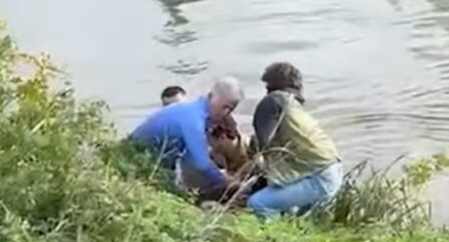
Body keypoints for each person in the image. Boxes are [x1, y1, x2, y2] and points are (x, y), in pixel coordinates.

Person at [245, 62, 342, 219]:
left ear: (270, 85)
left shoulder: (273, 100)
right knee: (292, 217)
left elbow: (263, 145)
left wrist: (253, 147)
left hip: (318, 178)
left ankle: (271, 241)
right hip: (332, 171)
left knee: (258, 203)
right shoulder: (294, 106)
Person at [130, 77, 244, 197]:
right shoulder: (193, 119)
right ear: (210, 97)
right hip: (135, 161)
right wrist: (227, 182)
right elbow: (202, 164)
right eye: (224, 107)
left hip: (154, 163)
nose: (226, 113)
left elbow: (190, 157)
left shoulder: (193, 111)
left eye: (231, 109)